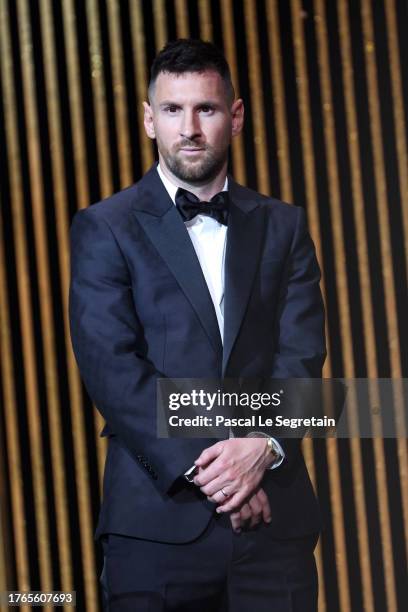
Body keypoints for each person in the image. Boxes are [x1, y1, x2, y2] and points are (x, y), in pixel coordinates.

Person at [69, 38, 326, 612]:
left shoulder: (284, 226)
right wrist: (222, 472)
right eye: (172, 110)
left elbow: (302, 357)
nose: (189, 127)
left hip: (273, 531)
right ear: (148, 119)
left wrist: (263, 446)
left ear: (234, 118)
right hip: (157, 528)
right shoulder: (104, 227)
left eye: (206, 109)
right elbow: (113, 371)